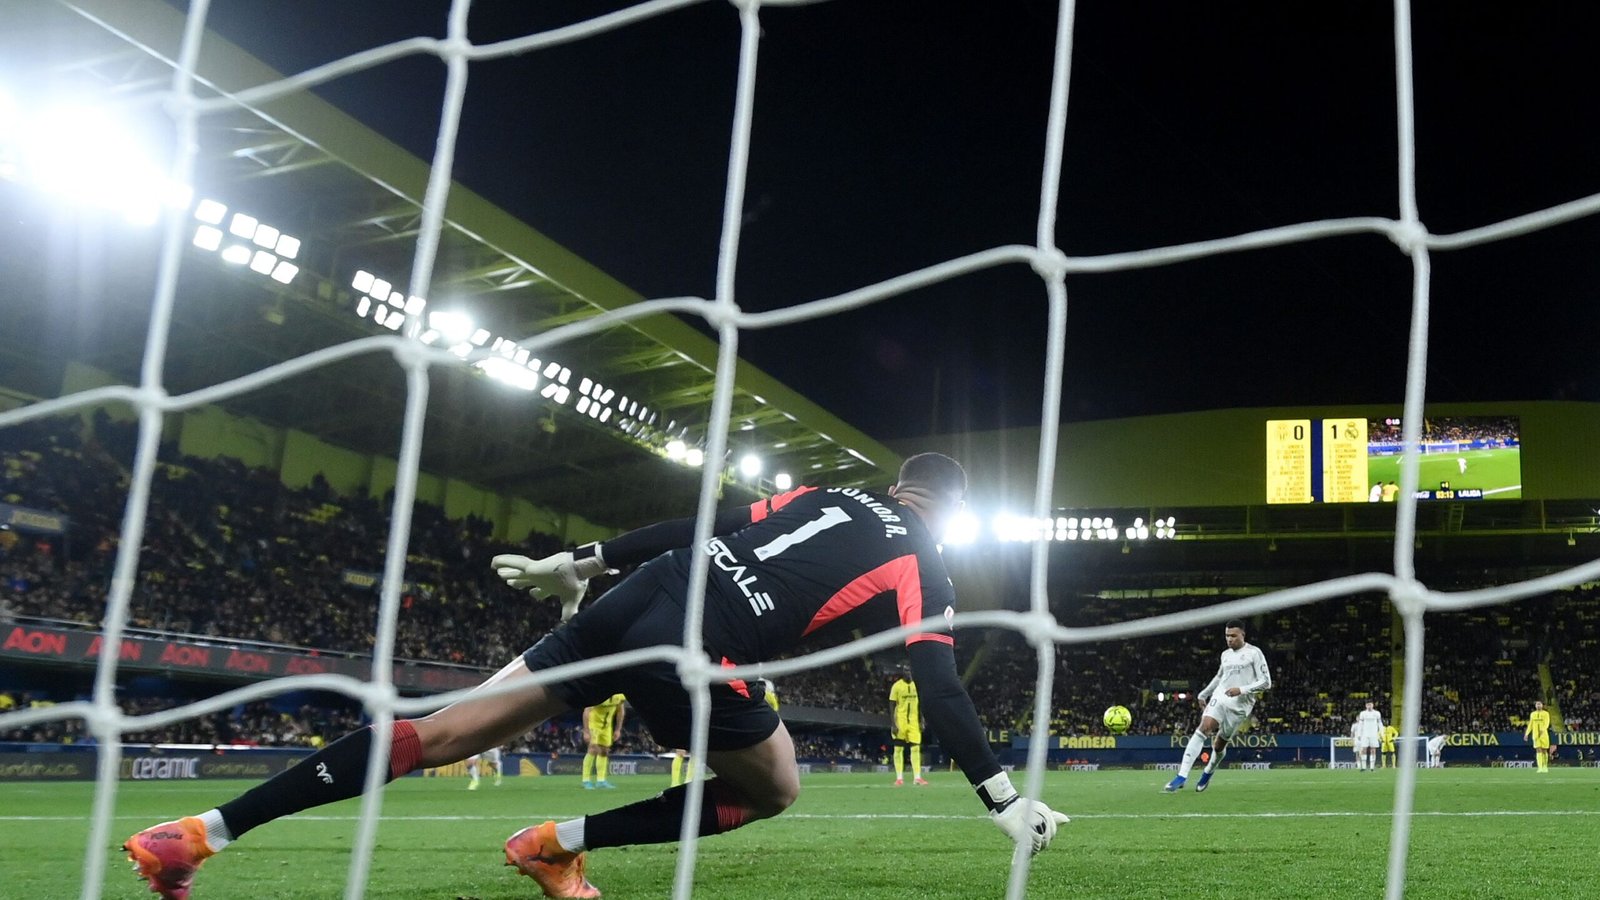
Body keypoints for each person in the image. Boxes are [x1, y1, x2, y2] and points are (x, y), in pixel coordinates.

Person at [123, 452, 1068, 899]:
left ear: (898, 479)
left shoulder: (826, 494)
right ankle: (553, 841)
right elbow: (939, 686)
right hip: (696, 648)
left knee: (445, 731)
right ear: (951, 507)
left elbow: (702, 525)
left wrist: (582, 562)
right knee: (775, 784)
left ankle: (198, 834)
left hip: (647, 592)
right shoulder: (925, 562)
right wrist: (998, 796)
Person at [1163, 619, 1271, 793]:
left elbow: (1266, 682)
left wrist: (1241, 690)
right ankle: (1181, 776)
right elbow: (1220, 677)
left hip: (1241, 705)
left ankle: (1208, 772)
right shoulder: (1225, 655)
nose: (1229, 639)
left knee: (1219, 745)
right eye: (1227, 636)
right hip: (1221, 696)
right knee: (1203, 727)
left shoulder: (1254, 653)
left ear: (1243, 635)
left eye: (1233, 636)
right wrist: (1204, 693)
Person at [889, 665, 928, 786]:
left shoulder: (917, 685)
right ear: (902, 672)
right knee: (898, 749)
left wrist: (921, 720)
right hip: (900, 721)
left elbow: (920, 704)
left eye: (910, 670)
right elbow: (891, 705)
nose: (908, 672)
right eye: (906, 670)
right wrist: (893, 724)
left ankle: (917, 778)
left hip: (914, 721)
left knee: (916, 748)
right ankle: (899, 778)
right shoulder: (897, 686)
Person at [582, 694, 626, 789]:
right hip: (593, 724)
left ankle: (601, 781)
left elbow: (620, 711)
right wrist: (586, 731)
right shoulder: (599, 692)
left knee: (604, 751)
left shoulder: (619, 695)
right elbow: (586, 711)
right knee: (593, 749)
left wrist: (618, 729)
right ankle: (586, 780)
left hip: (606, 727)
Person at [1353, 700, 1384, 772]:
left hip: (1373, 734)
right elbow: (1360, 724)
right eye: (1368, 705)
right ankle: (1363, 767)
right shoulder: (1363, 713)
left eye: (1370, 704)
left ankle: (1372, 767)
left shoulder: (1377, 713)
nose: (1369, 706)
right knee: (1364, 749)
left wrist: (1382, 733)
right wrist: (1359, 734)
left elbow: (1380, 723)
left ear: (1373, 705)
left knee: (1373, 749)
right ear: (1366, 705)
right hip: (1365, 734)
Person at [1525, 699, 1552, 773]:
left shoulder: (1546, 713)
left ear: (1542, 705)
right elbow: (1530, 724)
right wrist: (1527, 734)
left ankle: (1545, 766)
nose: (1538, 705)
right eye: (1537, 704)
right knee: (1538, 750)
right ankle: (1539, 767)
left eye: (1539, 704)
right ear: (1535, 705)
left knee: (1544, 750)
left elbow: (1547, 723)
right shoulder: (1532, 714)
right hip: (1535, 735)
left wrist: (1542, 730)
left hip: (1543, 734)